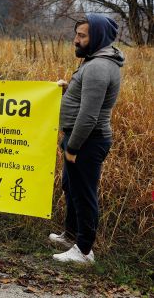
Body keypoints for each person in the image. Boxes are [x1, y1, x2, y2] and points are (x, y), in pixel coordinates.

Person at [49, 14, 124, 264]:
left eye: (82, 35)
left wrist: (72, 148)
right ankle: (70, 235)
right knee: (71, 188)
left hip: (87, 141)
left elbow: (89, 115)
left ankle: (83, 250)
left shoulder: (98, 67)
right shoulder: (94, 62)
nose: (75, 40)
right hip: (80, 139)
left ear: (97, 37)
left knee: (84, 193)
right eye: (76, 34)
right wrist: (67, 89)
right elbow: (86, 98)